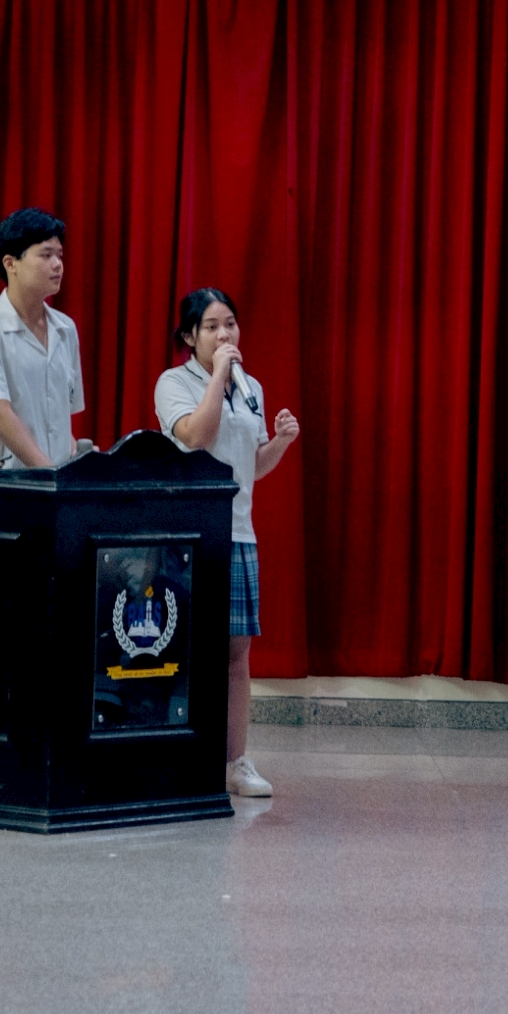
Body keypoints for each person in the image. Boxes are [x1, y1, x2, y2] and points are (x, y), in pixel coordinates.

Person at [156, 288, 300, 798]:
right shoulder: (174, 382)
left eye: (231, 324)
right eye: (213, 326)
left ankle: (234, 762)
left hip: (238, 530)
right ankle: (177, 756)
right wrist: (218, 375)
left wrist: (279, 442)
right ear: (189, 336)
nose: (225, 335)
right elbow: (195, 437)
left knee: (237, 652)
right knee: (180, 649)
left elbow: (250, 467)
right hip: (188, 534)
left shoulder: (250, 386)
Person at [0, 207, 85, 469]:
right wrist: (49, 474)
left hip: (56, 481)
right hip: (7, 481)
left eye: (59, 255)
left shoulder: (66, 329)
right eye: (46, 255)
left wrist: (76, 460)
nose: (58, 264)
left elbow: (59, 420)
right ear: (10, 263)